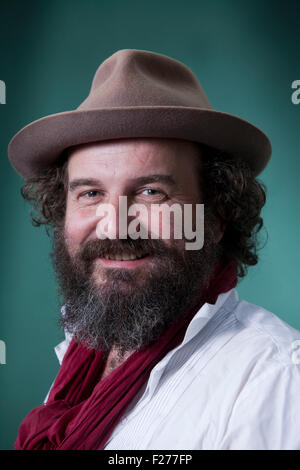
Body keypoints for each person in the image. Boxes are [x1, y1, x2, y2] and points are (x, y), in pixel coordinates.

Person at [8, 49, 300, 450]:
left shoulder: (275, 380)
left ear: (215, 217)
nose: (115, 225)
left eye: (151, 192)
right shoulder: (84, 360)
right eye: (90, 193)